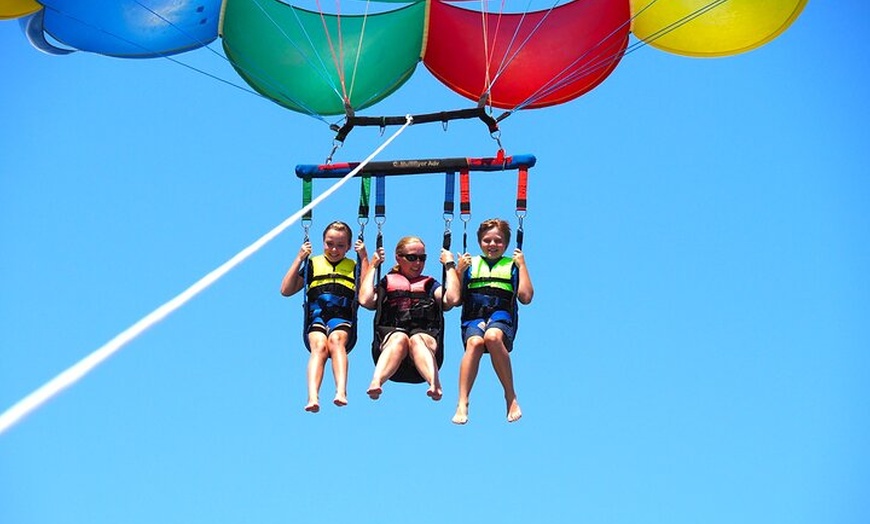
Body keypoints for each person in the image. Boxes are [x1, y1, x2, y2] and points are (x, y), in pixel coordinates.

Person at [452, 218, 534, 424]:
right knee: (475, 342)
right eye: (487, 240)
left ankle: (510, 396)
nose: (492, 245)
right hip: (474, 316)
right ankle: (462, 401)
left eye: (498, 241)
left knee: (493, 336)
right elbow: (454, 300)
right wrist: (458, 271)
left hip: (501, 316)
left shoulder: (512, 265)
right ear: (479, 242)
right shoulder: (470, 264)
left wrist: (522, 265)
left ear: (505, 244)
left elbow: (526, 297)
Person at [280, 221, 368, 413]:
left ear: (349, 246)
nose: (334, 249)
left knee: (336, 341)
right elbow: (286, 290)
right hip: (317, 316)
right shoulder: (313, 264)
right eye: (330, 244)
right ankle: (312, 396)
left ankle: (341, 391)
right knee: (319, 346)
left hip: (342, 316)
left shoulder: (353, 266)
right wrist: (299, 257)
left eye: (341, 245)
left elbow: (367, 295)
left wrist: (364, 257)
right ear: (322, 242)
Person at [359, 236, 461, 401]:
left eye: (422, 258)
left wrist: (449, 265)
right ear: (398, 258)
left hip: (424, 342)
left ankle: (434, 383)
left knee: (415, 340)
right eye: (412, 258)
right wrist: (373, 266)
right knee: (400, 338)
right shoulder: (388, 282)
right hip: (393, 345)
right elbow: (365, 300)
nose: (418, 263)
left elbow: (453, 299)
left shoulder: (429, 284)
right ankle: (376, 381)